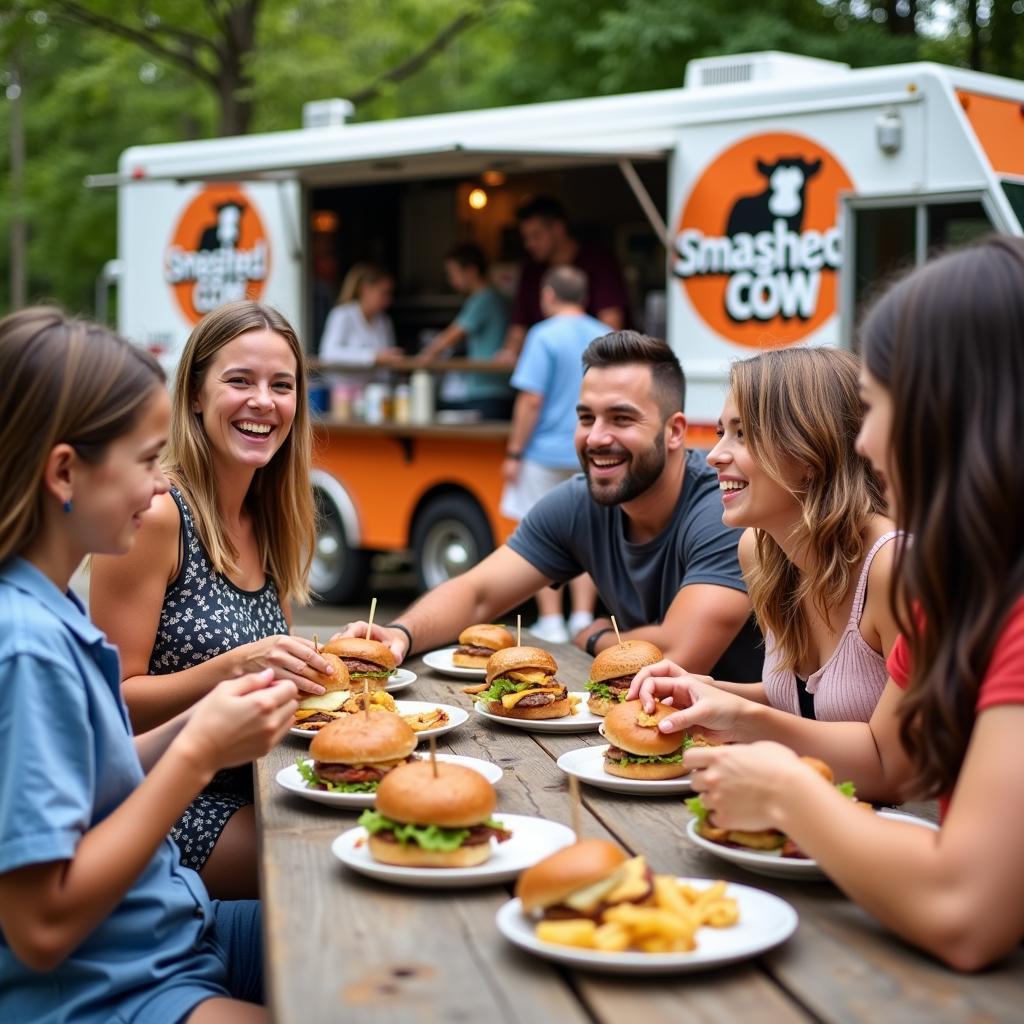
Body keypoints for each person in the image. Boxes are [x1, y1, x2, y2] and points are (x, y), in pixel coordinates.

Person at [634, 237, 1024, 969]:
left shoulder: (932, 578)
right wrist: (732, 706)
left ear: (958, 412)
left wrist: (785, 793)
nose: (866, 442)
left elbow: (964, 913)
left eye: (879, 407)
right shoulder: (973, 583)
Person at [0, 307, 296, 1023]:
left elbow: (99, 772)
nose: (162, 486)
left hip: (176, 931)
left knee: (376, 934)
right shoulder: (27, 648)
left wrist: (210, 718)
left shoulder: (51, 613)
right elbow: (40, 930)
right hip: (119, 987)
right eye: (144, 461)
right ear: (66, 473)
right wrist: (197, 751)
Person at [339, 330, 763, 682]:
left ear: (675, 432)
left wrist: (594, 638)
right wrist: (399, 635)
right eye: (585, 418)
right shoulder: (580, 501)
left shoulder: (722, 508)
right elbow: (477, 593)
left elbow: (678, 655)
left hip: (749, 751)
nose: (596, 437)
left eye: (620, 418)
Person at [90, 300, 333, 901]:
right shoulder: (157, 513)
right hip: (173, 805)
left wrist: (329, 663)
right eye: (239, 380)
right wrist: (235, 668)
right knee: (333, 868)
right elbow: (110, 704)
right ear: (195, 394)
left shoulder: (271, 515)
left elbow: (269, 670)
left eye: (282, 385)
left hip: (266, 780)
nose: (263, 402)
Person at [691, 347, 900, 721]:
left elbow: (892, 761)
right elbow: (803, 709)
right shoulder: (758, 550)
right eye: (722, 433)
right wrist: (698, 690)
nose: (714, 455)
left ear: (809, 450)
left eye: (743, 434)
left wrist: (744, 719)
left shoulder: (893, 567)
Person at [500, 265, 606, 643]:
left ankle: (550, 620)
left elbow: (531, 399)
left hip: (543, 452)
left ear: (547, 295)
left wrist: (514, 451)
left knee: (541, 535)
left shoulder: (542, 335)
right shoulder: (605, 335)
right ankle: (580, 616)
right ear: (585, 297)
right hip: (593, 448)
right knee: (589, 533)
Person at [496, 196, 629, 362]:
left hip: (593, 365)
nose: (529, 244)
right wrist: (509, 352)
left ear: (558, 229)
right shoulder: (530, 271)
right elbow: (518, 328)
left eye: (536, 236)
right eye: (526, 238)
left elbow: (611, 325)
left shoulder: (598, 262)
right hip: (546, 367)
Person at [416, 243, 513, 419]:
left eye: (453, 273)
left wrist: (423, 357)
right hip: (498, 387)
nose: (450, 280)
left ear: (470, 271)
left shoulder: (484, 298)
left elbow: (452, 335)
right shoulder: (496, 296)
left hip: (487, 390)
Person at [318, 262, 403, 381]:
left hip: (375, 392)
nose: (388, 300)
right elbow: (328, 354)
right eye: (383, 293)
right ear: (366, 289)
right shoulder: (342, 314)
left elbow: (386, 367)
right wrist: (372, 357)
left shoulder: (384, 321)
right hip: (343, 392)